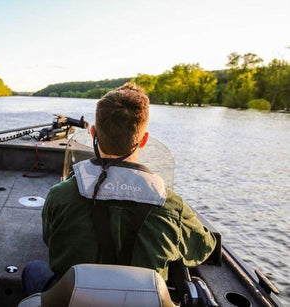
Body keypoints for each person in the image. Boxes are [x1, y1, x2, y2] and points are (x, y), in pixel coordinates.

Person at [22, 83, 216, 296]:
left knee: (33, 269)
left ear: (94, 133)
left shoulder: (60, 195)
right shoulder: (171, 205)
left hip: (76, 299)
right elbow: (203, 248)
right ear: (143, 140)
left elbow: (49, 238)